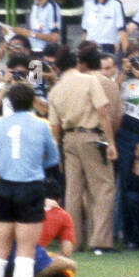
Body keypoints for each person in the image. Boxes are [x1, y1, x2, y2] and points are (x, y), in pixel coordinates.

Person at [0, 82, 61, 277]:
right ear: (32, 102)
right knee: (25, 254)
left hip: (4, 187)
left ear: (10, 102)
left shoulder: (0, 123)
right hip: (30, 188)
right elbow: (53, 159)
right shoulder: (41, 124)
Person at [49, 46, 117, 253]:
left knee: (73, 192)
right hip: (91, 136)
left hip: (68, 139)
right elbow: (102, 111)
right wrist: (111, 142)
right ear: (76, 63)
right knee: (103, 187)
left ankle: (73, 241)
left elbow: (54, 127)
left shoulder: (55, 89)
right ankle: (100, 241)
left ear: (58, 67)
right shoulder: (89, 80)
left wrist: (57, 154)